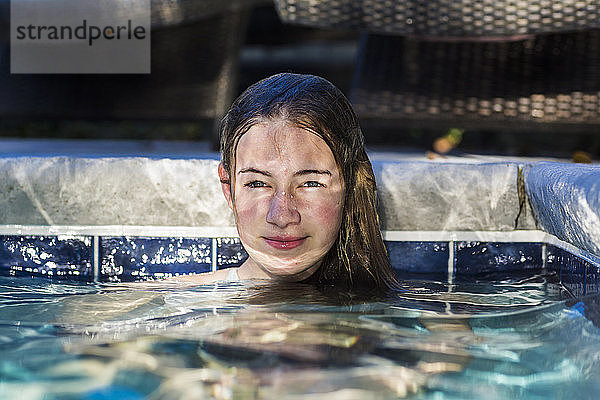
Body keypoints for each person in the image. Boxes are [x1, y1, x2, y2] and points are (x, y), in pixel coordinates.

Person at [185, 73, 398, 291]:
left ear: (350, 187)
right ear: (229, 188)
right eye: (257, 183)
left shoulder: (410, 314)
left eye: (310, 183)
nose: (281, 217)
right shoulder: (169, 304)